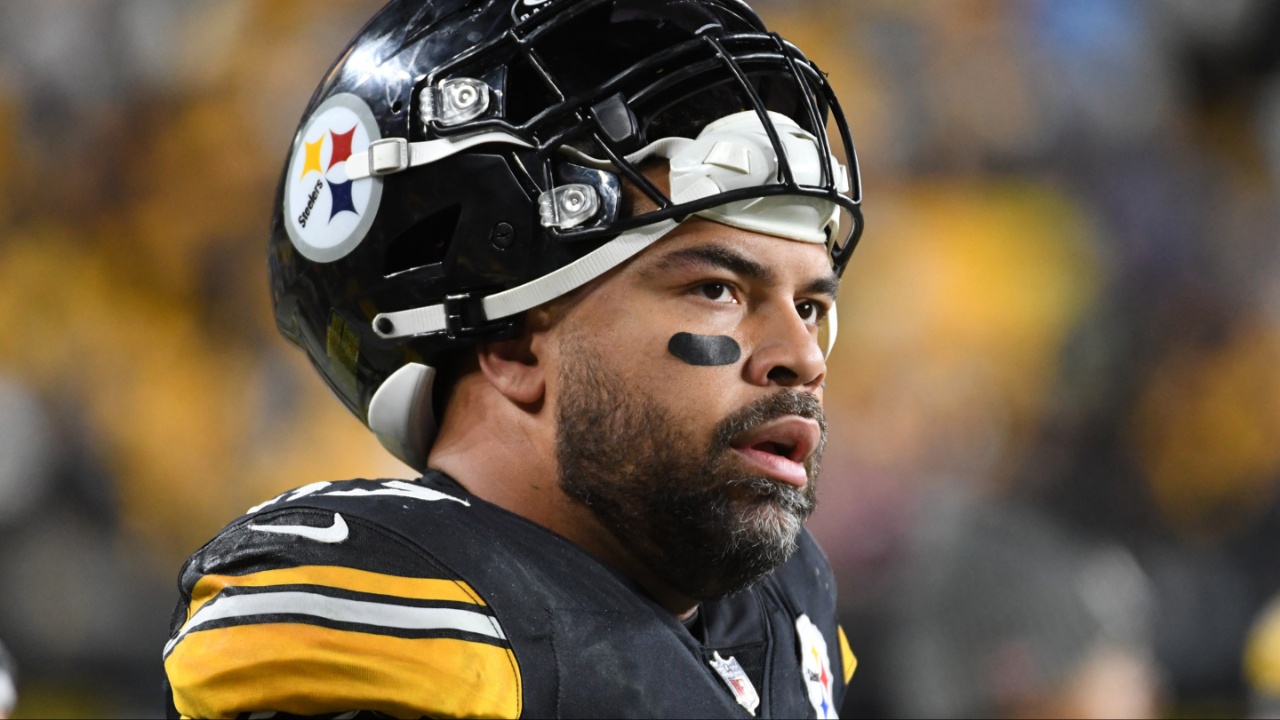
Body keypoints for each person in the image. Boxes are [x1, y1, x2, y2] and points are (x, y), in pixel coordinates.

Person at [162, 0, 863, 716]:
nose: (803, 358)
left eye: (811, 306)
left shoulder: (787, 610)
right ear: (512, 343)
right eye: (717, 290)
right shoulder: (402, 609)